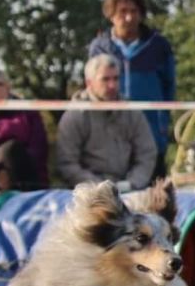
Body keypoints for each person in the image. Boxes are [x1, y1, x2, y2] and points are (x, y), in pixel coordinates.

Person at [87, 0, 174, 180]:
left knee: (155, 197)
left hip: (151, 133)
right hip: (110, 138)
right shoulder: (99, 47)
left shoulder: (159, 46)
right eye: (122, 12)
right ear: (111, 15)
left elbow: (169, 87)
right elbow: (92, 90)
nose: (128, 18)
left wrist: (163, 123)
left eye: (134, 11)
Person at [55, 53, 156, 190]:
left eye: (116, 79)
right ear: (89, 83)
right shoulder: (74, 116)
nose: (112, 85)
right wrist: (99, 187)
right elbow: (67, 163)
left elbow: (147, 154)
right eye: (105, 79)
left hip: (130, 190)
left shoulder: (133, 113)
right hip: (86, 195)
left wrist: (133, 183)